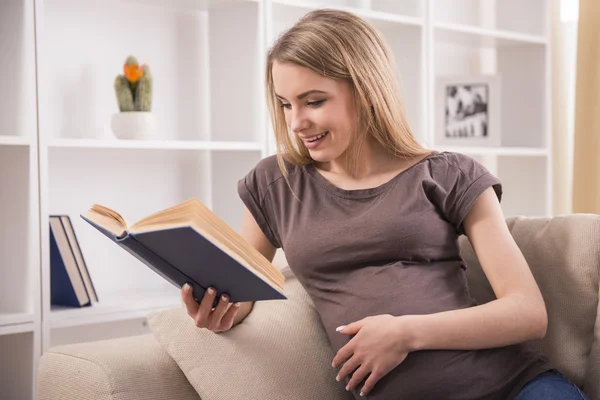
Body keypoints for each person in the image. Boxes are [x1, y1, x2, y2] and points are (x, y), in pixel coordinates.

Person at [180, 9, 590, 400]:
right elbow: (243, 289)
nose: (296, 122)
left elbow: (527, 312)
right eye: (286, 103)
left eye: (314, 101)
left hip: (516, 388)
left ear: (366, 90)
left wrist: (404, 333)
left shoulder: (449, 175)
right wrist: (222, 312)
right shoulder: (275, 184)